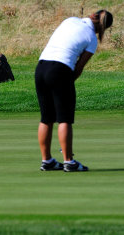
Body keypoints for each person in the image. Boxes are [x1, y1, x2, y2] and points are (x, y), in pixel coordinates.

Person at [35, 10, 113, 172]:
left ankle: (47, 160)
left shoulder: (70, 20)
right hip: (60, 69)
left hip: (41, 68)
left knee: (46, 118)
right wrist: (67, 85)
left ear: (93, 14)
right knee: (64, 118)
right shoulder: (92, 38)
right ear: (102, 29)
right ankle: (69, 162)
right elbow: (78, 68)